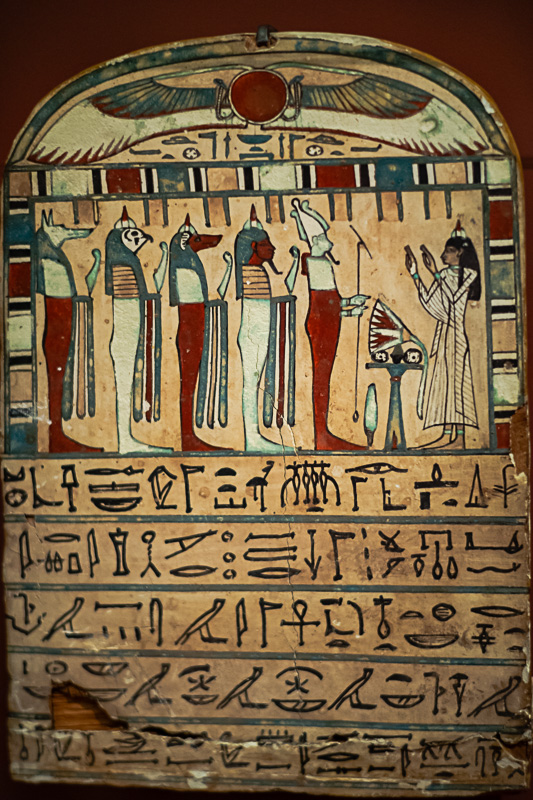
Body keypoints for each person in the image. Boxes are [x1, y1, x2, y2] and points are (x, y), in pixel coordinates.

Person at [405, 223, 480, 449]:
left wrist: (434, 272)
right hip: (445, 334)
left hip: (456, 335)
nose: (443, 255)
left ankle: (460, 438)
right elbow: (432, 304)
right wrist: (415, 274)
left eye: (448, 251)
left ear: (460, 253)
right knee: (444, 383)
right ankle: (447, 435)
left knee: (457, 384)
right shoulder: (445, 274)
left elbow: (453, 302)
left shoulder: (469, 274)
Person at [235, 207, 285, 453]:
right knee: (251, 383)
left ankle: (253, 438)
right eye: (266, 244)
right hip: (253, 333)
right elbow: (253, 311)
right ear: (253, 247)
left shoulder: (257, 271)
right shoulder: (248, 272)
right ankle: (252, 439)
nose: (272, 248)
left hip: (259, 330)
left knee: (253, 382)